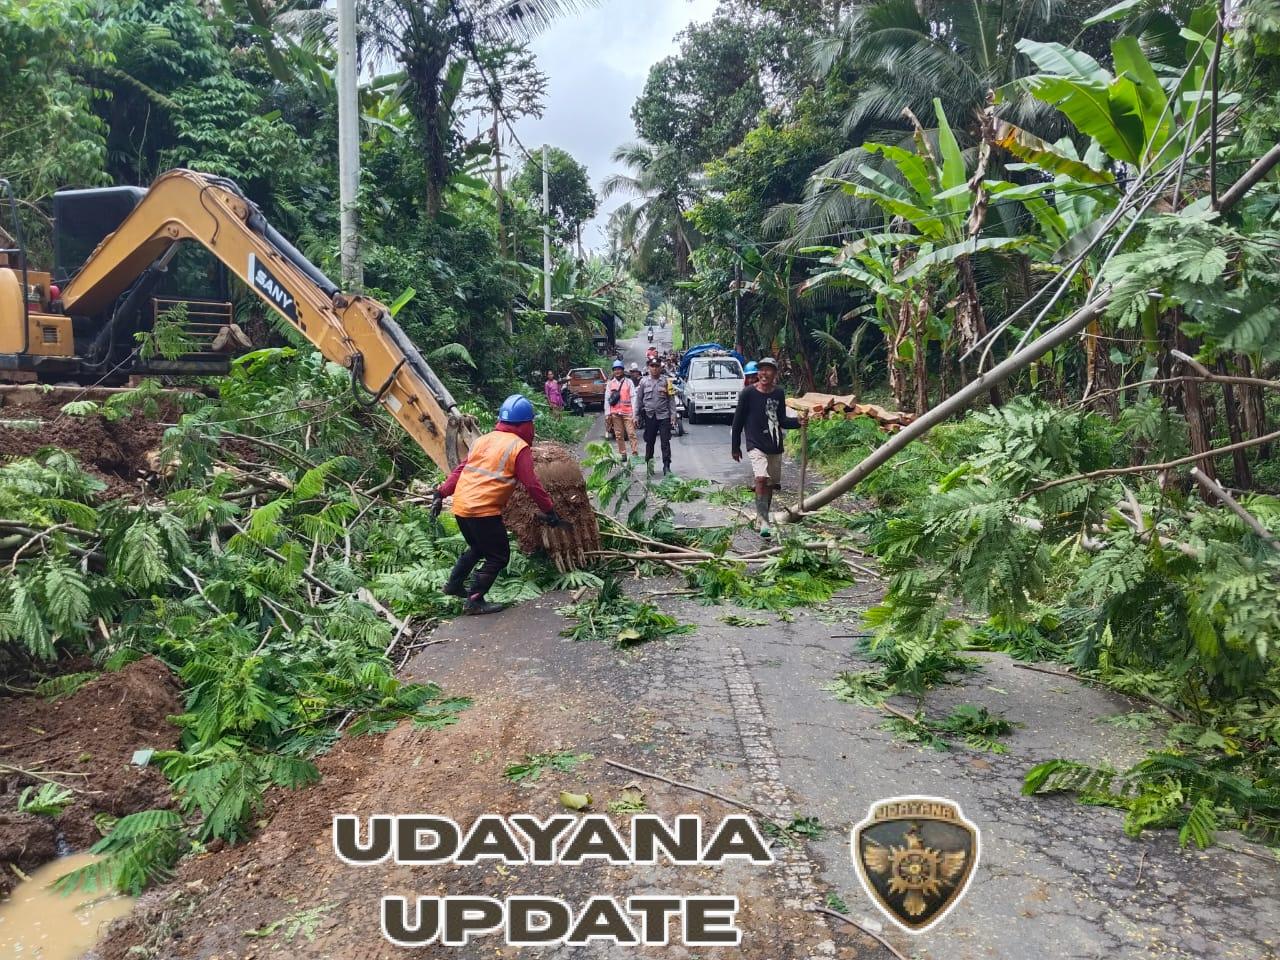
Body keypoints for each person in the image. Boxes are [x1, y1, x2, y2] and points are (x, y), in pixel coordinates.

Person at [433, 395, 561, 615]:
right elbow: (532, 484)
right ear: (525, 424)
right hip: (483, 511)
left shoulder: (483, 440)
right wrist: (549, 510)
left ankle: (453, 585)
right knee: (499, 556)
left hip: (461, 507)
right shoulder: (518, 447)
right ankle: (474, 600)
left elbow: (461, 469)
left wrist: (441, 493)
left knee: (478, 548)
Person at [731, 357, 803, 539]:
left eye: (768, 369)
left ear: (775, 373)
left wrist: (798, 422)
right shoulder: (748, 393)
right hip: (755, 443)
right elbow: (738, 421)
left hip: (774, 444)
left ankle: (763, 516)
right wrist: (735, 446)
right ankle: (764, 520)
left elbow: (782, 420)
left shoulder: (778, 393)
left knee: (770, 483)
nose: (764, 373)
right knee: (761, 478)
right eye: (761, 369)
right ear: (758, 373)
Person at [637, 356, 676, 475]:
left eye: (657, 366)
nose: (654, 368)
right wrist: (636, 415)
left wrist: (673, 415)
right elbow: (638, 400)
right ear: (649, 367)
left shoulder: (666, 381)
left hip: (664, 416)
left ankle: (666, 466)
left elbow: (671, 400)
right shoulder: (643, 382)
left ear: (660, 368)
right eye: (652, 366)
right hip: (649, 416)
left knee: (665, 442)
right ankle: (649, 465)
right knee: (650, 442)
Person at [605, 360, 638, 457]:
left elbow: (633, 397)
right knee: (619, 435)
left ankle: (635, 453)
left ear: (623, 370)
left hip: (628, 413)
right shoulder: (610, 384)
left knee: (631, 433)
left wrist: (634, 413)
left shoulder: (629, 382)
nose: (617, 371)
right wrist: (607, 414)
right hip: (615, 413)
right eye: (615, 370)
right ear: (613, 371)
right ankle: (623, 454)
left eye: (619, 369)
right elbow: (607, 399)